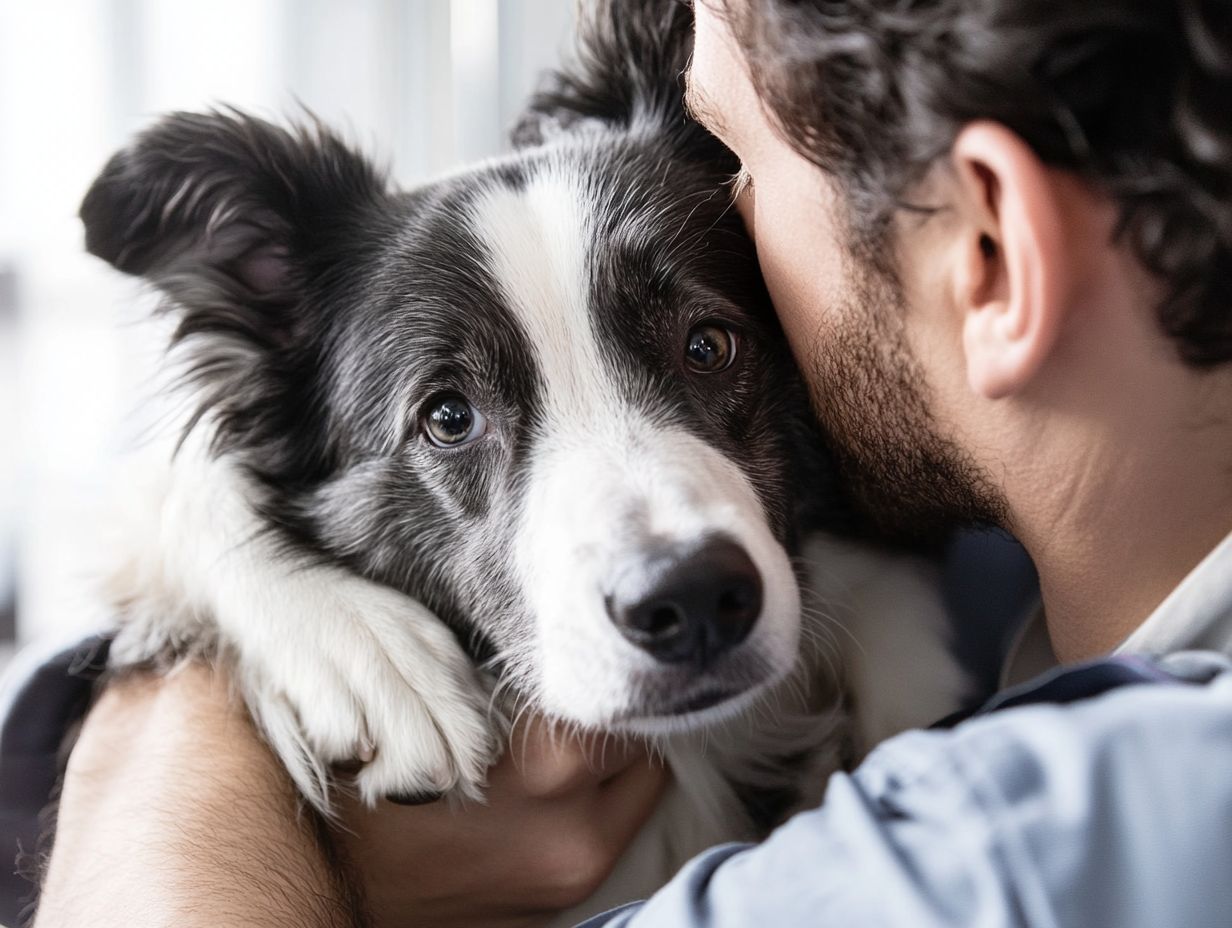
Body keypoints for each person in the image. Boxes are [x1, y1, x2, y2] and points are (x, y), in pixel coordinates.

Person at [19, 0, 1232, 924]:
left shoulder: (1012, 842)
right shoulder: (1019, 563)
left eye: (742, 163)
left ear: (988, 250)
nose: (741, 220)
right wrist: (226, 597)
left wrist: (201, 783)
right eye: (449, 416)